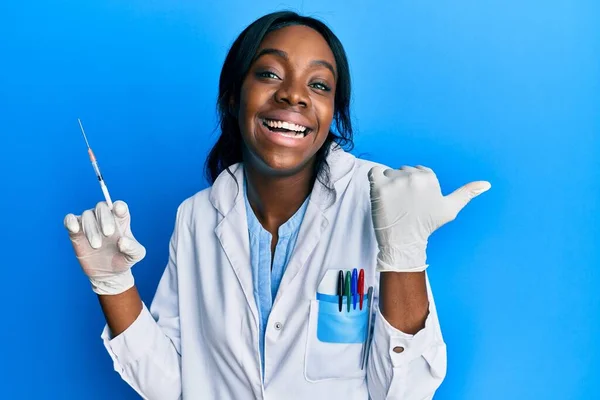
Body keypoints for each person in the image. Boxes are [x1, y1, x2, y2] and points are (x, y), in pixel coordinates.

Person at [64, 11, 490, 400]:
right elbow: (173, 386)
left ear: (333, 113)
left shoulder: (381, 201)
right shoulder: (195, 217)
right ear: (233, 96)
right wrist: (113, 285)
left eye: (319, 85)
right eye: (269, 73)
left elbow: (406, 392)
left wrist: (405, 257)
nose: (293, 95)